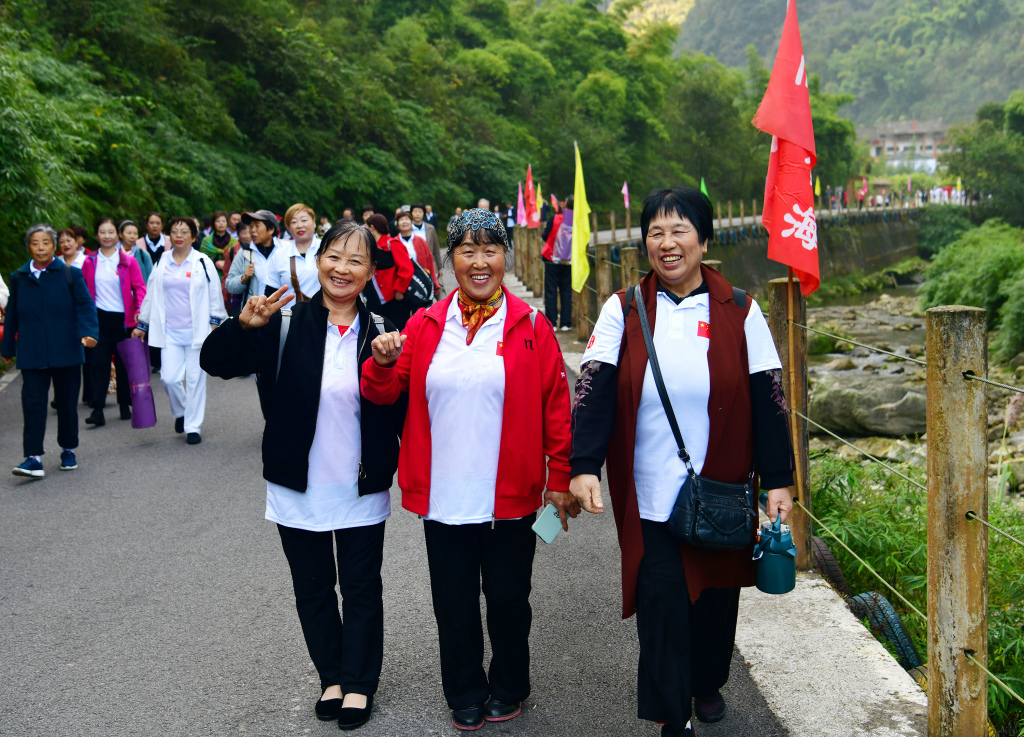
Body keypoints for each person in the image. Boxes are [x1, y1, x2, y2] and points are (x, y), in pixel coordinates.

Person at [568, 186, 795, 737]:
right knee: (662, 603)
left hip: (720, 487)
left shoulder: (740, 309)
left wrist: (779, 481)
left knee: (715, 598)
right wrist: (581, 466)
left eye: (679, 230)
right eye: (655, 232)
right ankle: (674, 715)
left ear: (704, 238)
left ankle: (708, 681)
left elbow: (769, 395)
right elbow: (593, 389)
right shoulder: (623, 307)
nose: (667, 244)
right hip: (649, 491)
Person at [361, 208, 576, 731]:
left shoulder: (532, 326)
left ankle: (509, 684)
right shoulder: (426, 324)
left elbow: (556, 405)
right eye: (467, 251)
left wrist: (560, 480)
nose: (480, 262)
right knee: (452, 603)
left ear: (505, 257)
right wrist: (382, 362)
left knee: (508, 600)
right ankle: (463, 688)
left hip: (512, 495)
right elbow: (383, 393)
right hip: (445, 496)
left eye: (490, 250)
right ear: (450, 260)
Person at [201, 221, 403, 730]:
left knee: (360, 587)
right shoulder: (283, 321)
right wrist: (241, 326)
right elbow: (214, 363)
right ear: (318, 261)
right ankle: (331, 677)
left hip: (360, 482)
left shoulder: (383, 329)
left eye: (357, 261)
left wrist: (392, 366)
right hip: (298, 483)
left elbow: (401, 409)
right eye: (335, 257)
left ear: (370, 272)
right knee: (312, 587)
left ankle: (359, 684)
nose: (343, 269)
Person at [2, 224, 99, 477]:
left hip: (65, 350)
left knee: (67, 404)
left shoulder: (69, 274)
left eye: (46, 242)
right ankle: (33, 457)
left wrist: (89, 333)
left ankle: (68, 449)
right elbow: (11, 315)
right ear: (28, 247)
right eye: (36, 243)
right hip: (32, 353)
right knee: (32, 404)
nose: (41, 247)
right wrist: (7, 348)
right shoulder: (19, 278)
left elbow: (85, 306)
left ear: (53, 246)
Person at [133, 217, 226, 445]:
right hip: (169, 332)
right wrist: (142, 324)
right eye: (174, 231)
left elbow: (215, 295)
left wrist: (216, 323)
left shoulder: (202, 262)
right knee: (169, 378)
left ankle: (193, 427)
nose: (178, 235)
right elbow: (151, 294)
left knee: (195, 379)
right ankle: (181, 411)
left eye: (184, 231)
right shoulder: (162, 262)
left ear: (194, 237)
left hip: (198, 332)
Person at [82, 218, 147, 427]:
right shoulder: (89, 261)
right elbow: (83, 293)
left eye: (111, 232)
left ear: (117, 235)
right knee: (98, 363)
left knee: (124, 365)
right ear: (97, 235)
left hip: (124, 320)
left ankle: (124, 404)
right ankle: (97, 409)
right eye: (103, 232)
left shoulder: (128, 261)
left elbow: (140, 288)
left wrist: (139, 311)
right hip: (99, 319)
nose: (107, 236)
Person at [363, 213, 414, 329]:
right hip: (377, 300)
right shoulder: (371, 246)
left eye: (366, 227)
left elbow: (406, 268)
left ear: (372, 227)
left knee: (399, 332)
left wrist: (399, 290)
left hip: (394, 298)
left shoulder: (392, 243)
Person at [266, 203, 321, 301]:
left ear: (314, 223)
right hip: (288, 314)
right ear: (288, 227)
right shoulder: (280, 255)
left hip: (325, 314)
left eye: (304, 220)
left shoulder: (327, 249)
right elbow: (271, 292)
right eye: (294, 222)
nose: (299, 225)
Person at [227, 210, 279, 308]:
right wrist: (244, 278)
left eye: (257, 226)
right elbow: (229, 285)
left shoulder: (284, 251)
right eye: (251, 226)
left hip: (281, 313)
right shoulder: (245, 252)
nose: (252, 230)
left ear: (271, 229)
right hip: (254, 313)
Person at [541, 196, 573, 331]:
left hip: (551, 259)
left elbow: (544, 235)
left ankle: (552, 323)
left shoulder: (554, 218)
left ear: (565, 205)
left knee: (551, 292)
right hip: (568, 261)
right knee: (566, 292)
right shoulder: (576, 221)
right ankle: (565, 323)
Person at [395, 211, 440, 297]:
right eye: (401, 220)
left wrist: (434, 282)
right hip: (402, 286)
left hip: (421, 283)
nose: (404, 222)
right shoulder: (394, 242)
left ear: (411, 222)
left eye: (406, 219)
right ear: (397, 224)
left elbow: (429, 262)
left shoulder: (421, 241)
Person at [410, 202, 443, 288]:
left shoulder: (430, 228)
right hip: (413, 266)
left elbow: (436, 249)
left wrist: (439, 267)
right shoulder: (407, 229)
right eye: (415, 211)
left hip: (430, 265)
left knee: (432, 288)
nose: (417, 214)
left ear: (424, 214)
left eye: (420, 212)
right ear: (411, 213)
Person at [221, 221, 248, 316]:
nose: (247, 236)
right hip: (235, 296)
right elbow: (226, 274)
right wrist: (225, 296)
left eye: (250, 232)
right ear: (238, 235)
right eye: (244, 233)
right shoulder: (233, 250)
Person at [200, 211, 237, 277]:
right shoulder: (206, 241)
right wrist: (215, 263)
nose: (221, 223)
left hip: (229, 276)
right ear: (213, 223)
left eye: (223, 221)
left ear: (227, 223)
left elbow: (237, 261)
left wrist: (225, 264)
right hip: (209, 275)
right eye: (218, 221)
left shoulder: (234, 242)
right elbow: (202, 260)